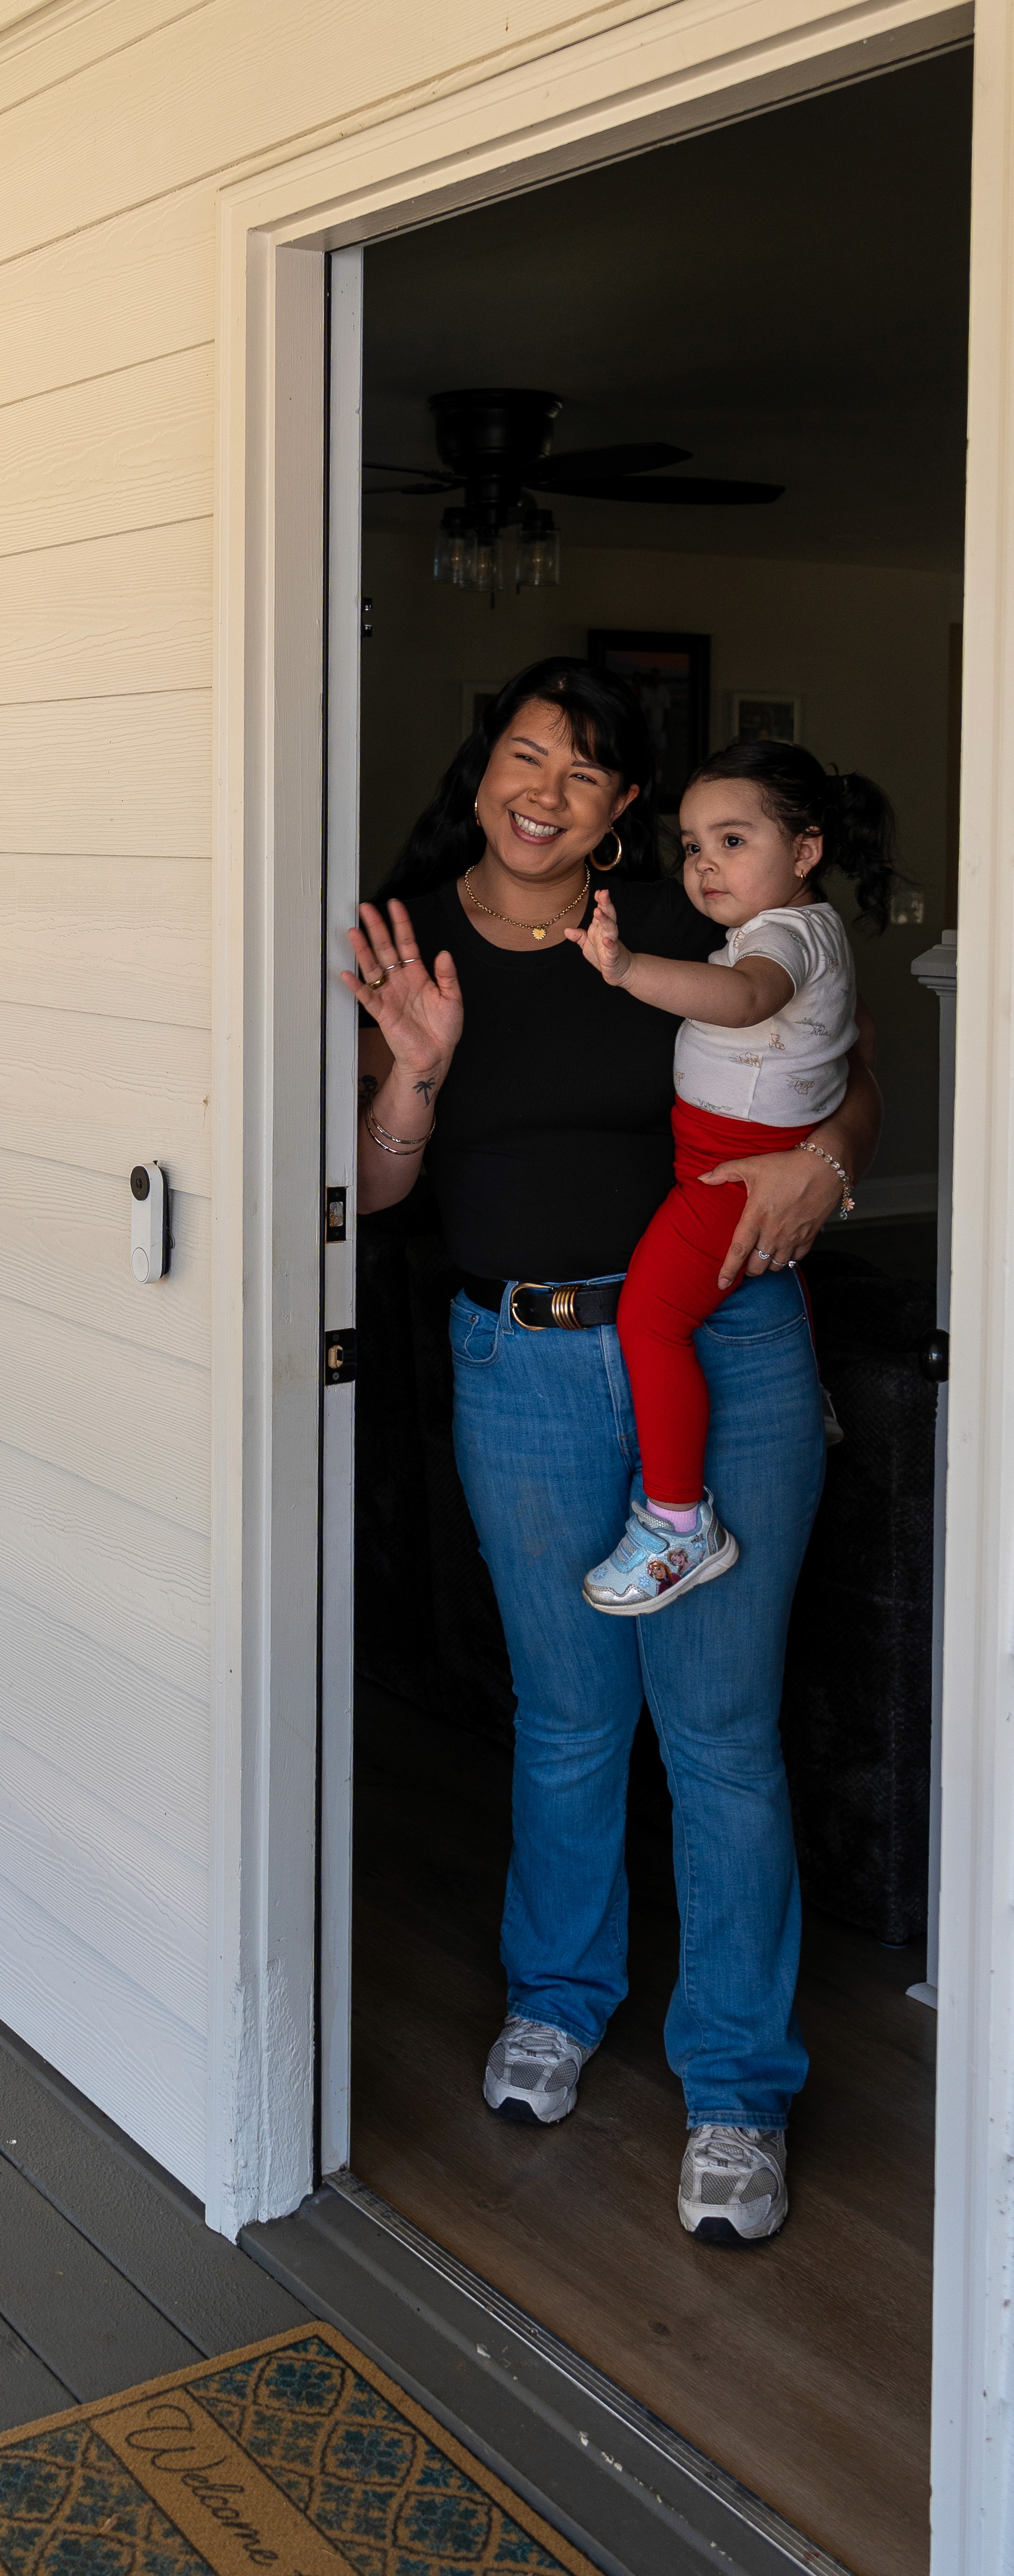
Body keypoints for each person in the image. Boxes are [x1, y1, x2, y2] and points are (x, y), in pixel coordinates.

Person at [343, 656, 879, 2247]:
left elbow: (837, 1061)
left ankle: (734, 2087)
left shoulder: (681, 913)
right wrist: (419, 1061)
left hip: (726, 1348)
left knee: (719, 1729)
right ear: (482, 764)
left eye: (582, 772)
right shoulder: (400, 933)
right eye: (523, 755)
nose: (544, 791)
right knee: (567, 1718)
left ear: (623, 807)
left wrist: (828, 1173)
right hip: (519, 1355)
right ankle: (560, 2001)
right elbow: (366, 1200)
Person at [565, 739, 895, 1613]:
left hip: (730, 1173)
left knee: (651, 1317)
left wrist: (627, 968)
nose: (706, 863)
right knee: (777, 1275)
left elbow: (748, 999)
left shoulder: (781, 937)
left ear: (807, 851)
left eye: (734, 841)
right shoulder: (798, 926)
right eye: (694, 845)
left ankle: (678, 1521)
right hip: (739, 1156)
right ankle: (812, 1394)